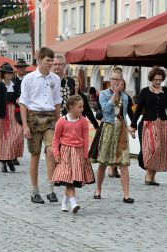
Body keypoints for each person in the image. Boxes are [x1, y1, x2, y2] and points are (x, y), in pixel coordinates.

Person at [19, 47, 62, 204]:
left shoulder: (55, 79)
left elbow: (57, 103)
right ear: (40, 60)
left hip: (50, 117)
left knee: (51, 151)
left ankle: (50, 189)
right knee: (35, 154)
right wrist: (24, 125)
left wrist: (59, 124)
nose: (51, 63)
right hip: (34, 117)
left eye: (52, 60)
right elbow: (23, 103)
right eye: (48, 60)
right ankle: (35, 190)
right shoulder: (29, 79)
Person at [89, 67, 134, 203]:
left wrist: (129, 129)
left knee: (124, 163)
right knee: (103, 162)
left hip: (120, 131)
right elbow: (106, 109)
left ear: (121, 80)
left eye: (118, 79)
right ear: (110, 80)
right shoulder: (103, 94)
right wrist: (114, 94)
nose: (115, 81)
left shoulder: (125, 97)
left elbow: (124, 115)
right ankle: (98, 190)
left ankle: (126, 195)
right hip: (108, 128)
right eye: (113, 79)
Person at [130, 66, 167, 185]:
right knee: (152, 149)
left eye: (160, 79)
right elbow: (138, 109)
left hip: (163, 125)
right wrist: (133, 125)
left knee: (160, 150)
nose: (158, 81)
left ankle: (151, 176)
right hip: (148, 124)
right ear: (151, 79)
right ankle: (148, 173)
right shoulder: (145, 91)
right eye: (156, 79)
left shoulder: (166, 91)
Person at [52, 95, 95, 213]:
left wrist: (86, 155)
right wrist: (56, 153)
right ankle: (73, 203)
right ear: (71, 108)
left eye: (83, 107)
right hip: (65, 153)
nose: (82, 109)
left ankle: (64, 203)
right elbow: (55, 139)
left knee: (71, 179)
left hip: (78, 153)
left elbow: (86, 139)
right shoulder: (61, 121)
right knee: (69, 179)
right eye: (79, 107)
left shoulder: (83, 121)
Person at [0, 64, 23, 172]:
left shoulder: (14, 85)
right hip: (2, 114)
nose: (10, 74)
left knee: (16, 135)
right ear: (4, 74)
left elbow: (18, 98)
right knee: (4, 139)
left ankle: (10, 159)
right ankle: (4, 163)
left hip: (13, 113)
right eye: (8, 73)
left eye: (11, 73)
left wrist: (18, 100)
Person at [108, 78, 134, 178]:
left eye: (122, 85)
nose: (120, 86)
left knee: (121, 146)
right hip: (111, 123)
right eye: (118, 84)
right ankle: (111, 166)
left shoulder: (126, 97)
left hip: (122, 124)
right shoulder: (109, 96)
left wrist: (133, 125)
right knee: (112, 145)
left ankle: (117, 167)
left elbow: (130, 113)